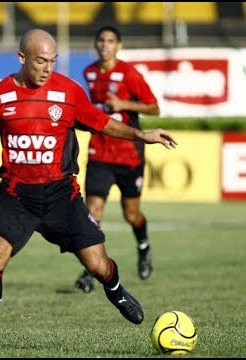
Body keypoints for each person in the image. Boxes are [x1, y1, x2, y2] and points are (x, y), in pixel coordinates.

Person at [0, 28, 177, 356]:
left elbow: (102, 123)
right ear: (22, 58)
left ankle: (115, 289)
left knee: (98, 265)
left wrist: (142, 135)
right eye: (41, 61)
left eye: (53, 61)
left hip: (61, 196)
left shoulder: (68, 92)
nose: (47, 68)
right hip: (17, 196)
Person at [74, 25, 160, 294]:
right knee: (92, 213)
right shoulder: (88, 72)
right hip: (99, 152)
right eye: (100, 40)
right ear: (95, 44)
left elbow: (154, 107)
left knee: (131, 214)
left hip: (128, 154)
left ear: (118, 45)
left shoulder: (129, 74)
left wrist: (124, 105)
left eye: (110, 41)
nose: (104, 45)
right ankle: (92, 269)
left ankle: (144, 248)